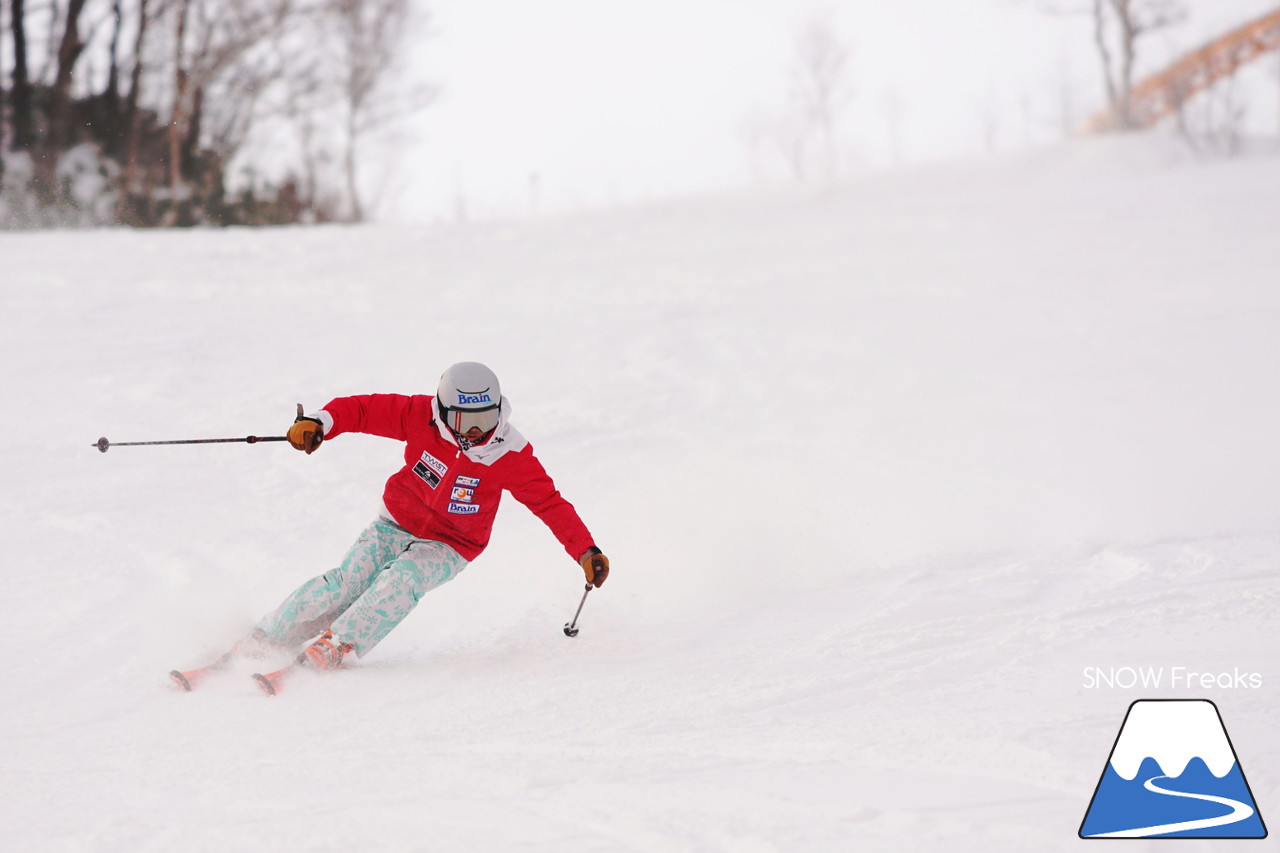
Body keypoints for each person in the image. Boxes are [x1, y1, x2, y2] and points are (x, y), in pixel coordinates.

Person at [252, 362, 610, 669]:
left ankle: (339, 645)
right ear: (442, 410)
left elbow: (549, 502)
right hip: (395, 521)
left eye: (485, 419)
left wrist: (585, 550)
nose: (474, 431)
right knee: (347, 582)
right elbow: (362, 410)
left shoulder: (510, 454)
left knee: (401, 580)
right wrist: (320, 423)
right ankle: (269, 634)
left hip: (451, 544)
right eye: (463, 419)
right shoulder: (419, 416)